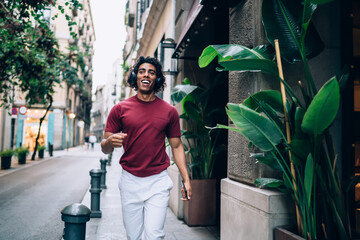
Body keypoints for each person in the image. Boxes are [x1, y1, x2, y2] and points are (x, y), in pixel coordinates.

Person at [101, 56, 192, 240]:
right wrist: (110, 142)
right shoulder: (120, 109)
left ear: (157, 79)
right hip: (130, 181)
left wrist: (186, 179)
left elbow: (176, 145)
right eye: (142, 71)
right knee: (133, 236)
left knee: (154, 235)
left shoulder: (169, 111)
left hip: (158, 181)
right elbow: (105, 147)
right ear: (135, 77)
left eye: (151, 72)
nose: (146, 75)